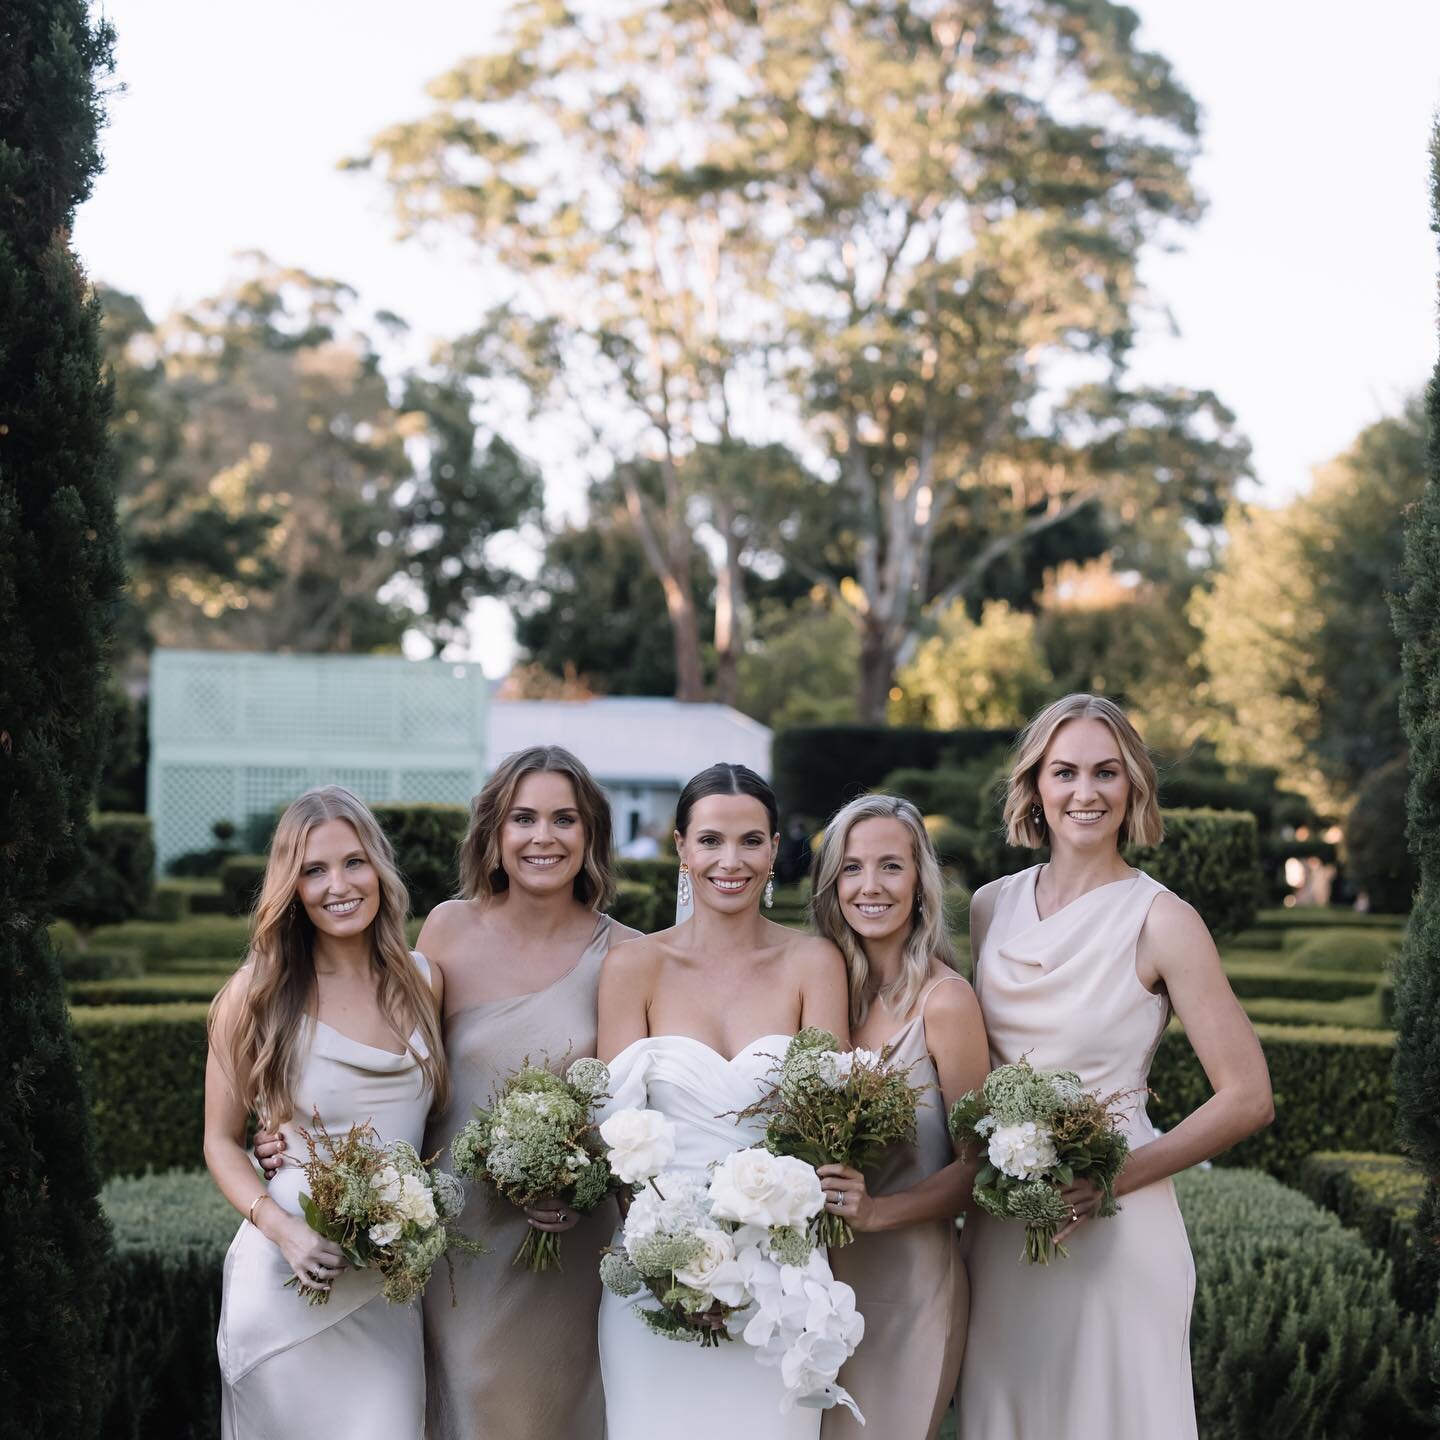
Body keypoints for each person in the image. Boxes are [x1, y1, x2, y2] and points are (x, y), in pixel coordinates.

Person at [254, 747, 640, 1440]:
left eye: (564, 819)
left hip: (565, 1242)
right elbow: (400, 1070)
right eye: (523, 818)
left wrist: (580, 1185)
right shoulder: (447, 931)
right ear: (494, 833)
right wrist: (294, 1135)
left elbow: (631, 1116)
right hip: (453, 1243)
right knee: (461, 1409)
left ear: (592, 836)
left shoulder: (630, 954)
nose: (543, 837)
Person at [959, 695, 1274, 1440]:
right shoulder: (988, 907)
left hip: (1119, 1229)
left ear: (1132, 787)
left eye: (1107, 772)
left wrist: (1108, 1179)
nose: (1085, 792)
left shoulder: (1162, 919)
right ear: (1035, 787)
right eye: (1064, 772)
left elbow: (1248, 1097)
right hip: (1004, 1229)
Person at [596, 762, 851, 1438]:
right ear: (681, 847)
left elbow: (827, 1126)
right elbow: (617, 1140)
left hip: (782, 1275)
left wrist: (756, 1250)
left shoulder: (814, 964)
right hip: (657, 1263)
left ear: (775, 850)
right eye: (710, 841)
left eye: (750, 841)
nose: (729, 861)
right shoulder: (634, 967)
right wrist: (671, 1264)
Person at [205, 786, 448, 1440]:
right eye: (314, 870)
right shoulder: (254, 996)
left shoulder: (425, 981)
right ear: (292, 886)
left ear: (379, 869)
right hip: (288, 1283)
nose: (338, 885)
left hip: (388, 1291)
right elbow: (221, 1143)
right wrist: (284, 1230)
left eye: (353, 862)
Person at [808, 794, 989, 1440]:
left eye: (891, 866)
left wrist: (878, 1211)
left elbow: (981, 1167)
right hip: (815, 1289)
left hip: (911, 1284)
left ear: (919, 882)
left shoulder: (945, 1002)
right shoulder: (821, 992)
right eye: (852, 868)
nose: (870, 886)